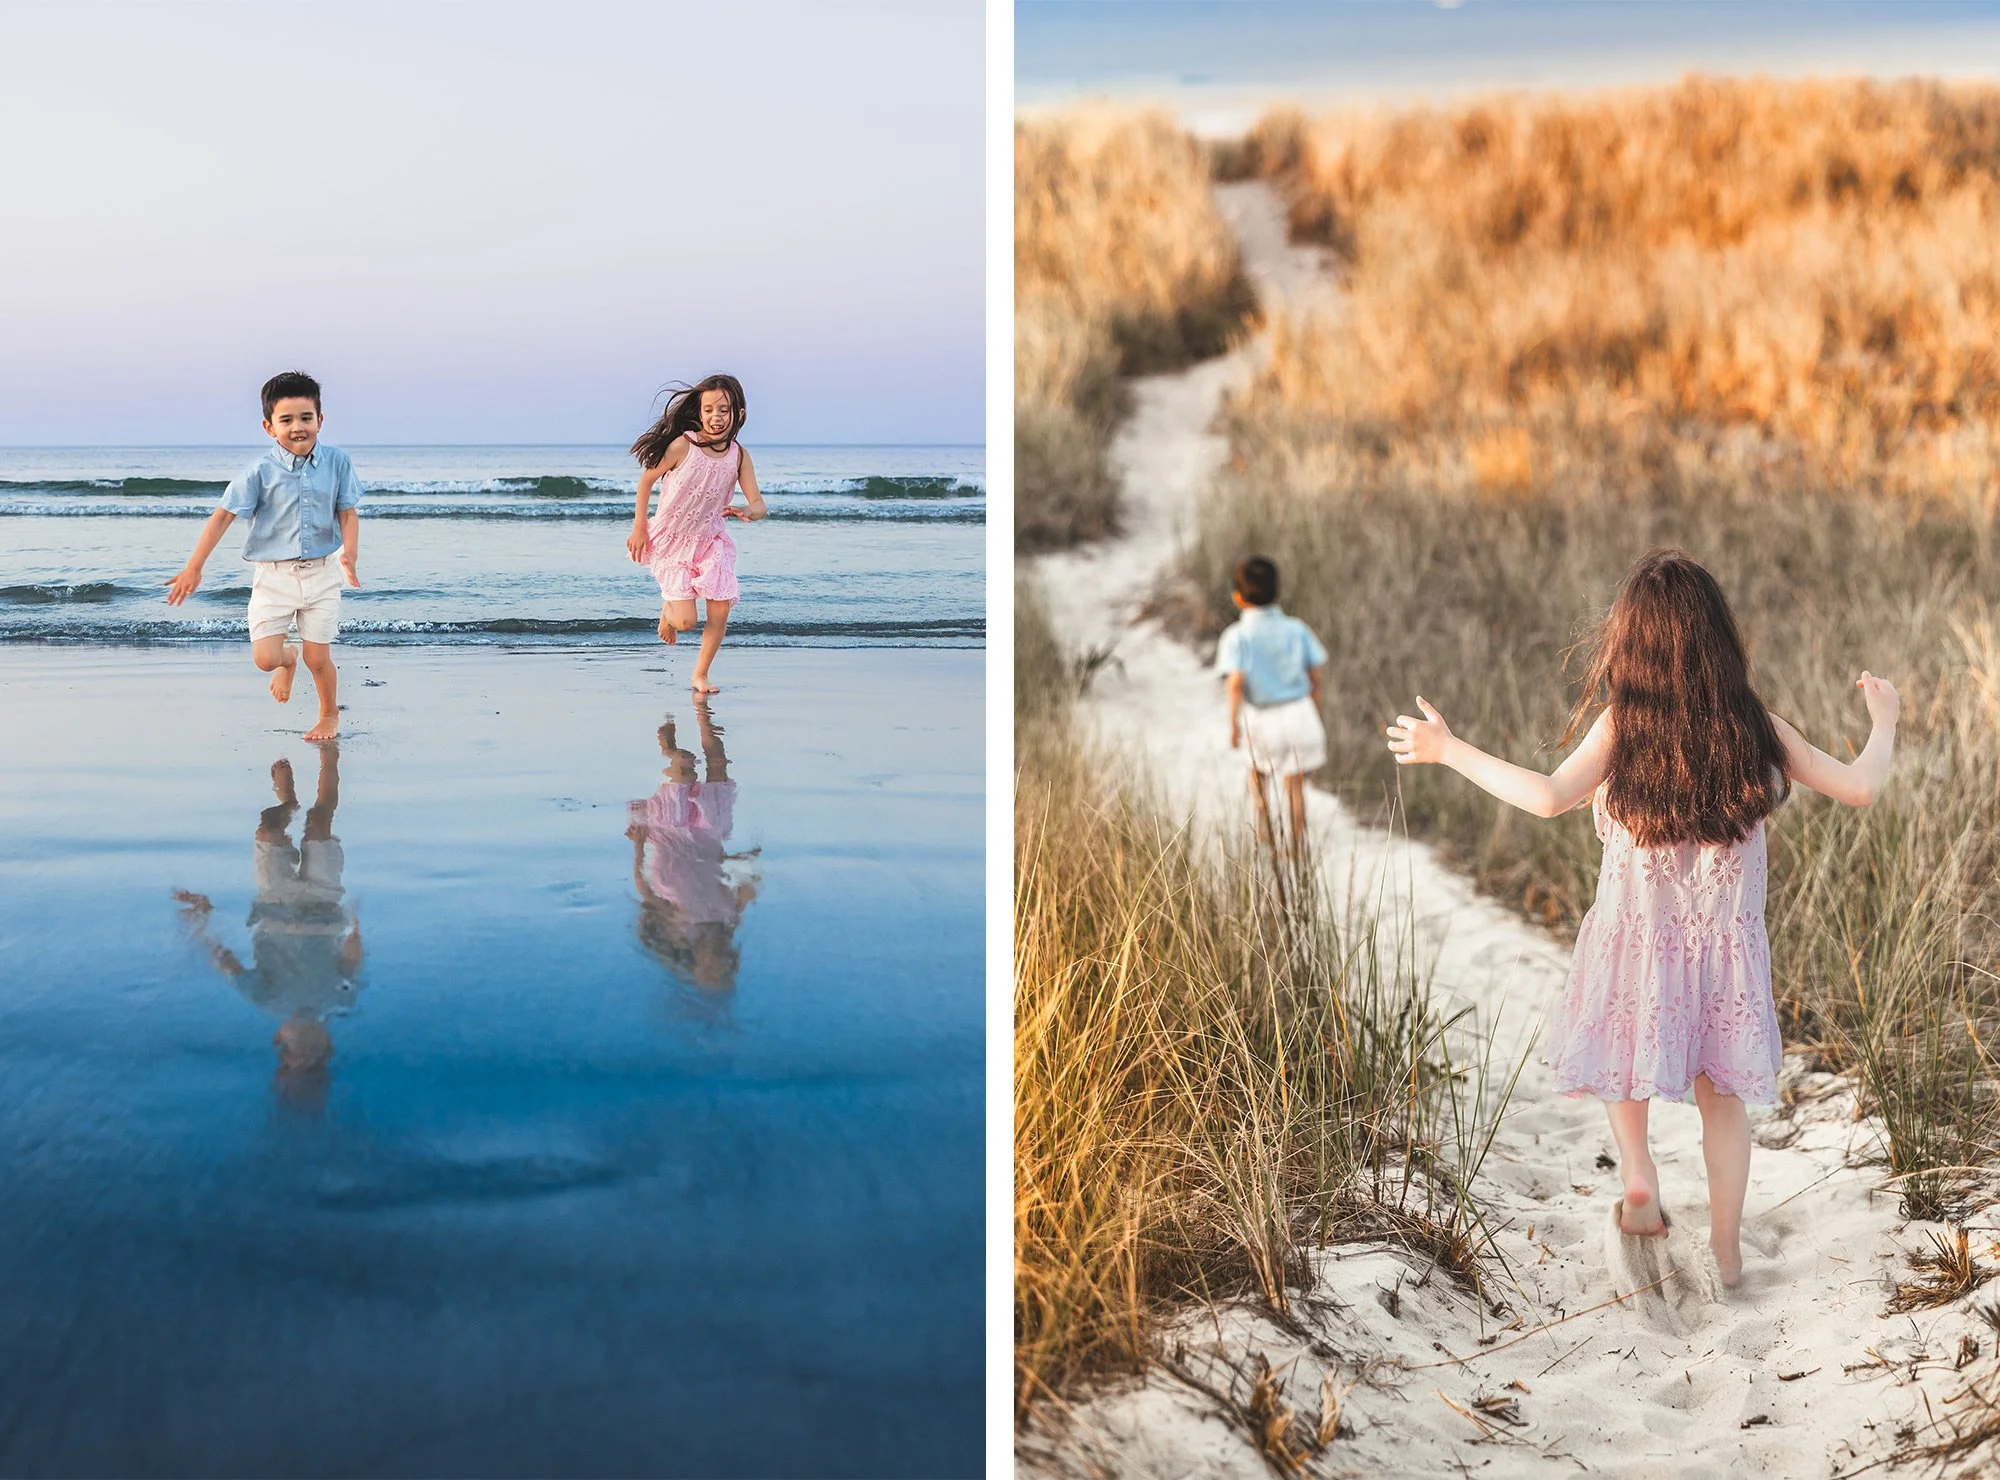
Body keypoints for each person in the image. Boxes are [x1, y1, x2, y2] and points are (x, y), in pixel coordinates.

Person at [1385, 548, 1899, 1287]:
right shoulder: (1755, 726)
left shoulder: (1623, 725)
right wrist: (1883, 721)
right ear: (1719, 638)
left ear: (1631, 643)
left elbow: (1546, 795)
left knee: (1622, 1056)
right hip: (1724, 959)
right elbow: (1858, 788)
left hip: (1637, 948)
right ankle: (1726, 1250)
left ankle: (1637, 1176)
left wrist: (1449, 749)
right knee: (1721, 1104)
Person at [165, 371, 362, 742]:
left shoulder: (338, 462)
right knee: (265, 659)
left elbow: (347, 512)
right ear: (269, 427)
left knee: (318, 659)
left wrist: (349, 553)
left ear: (320, 420)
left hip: (322, 573)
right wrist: (194, 567)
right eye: (286, 420)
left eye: (306, 418)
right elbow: (223, 515)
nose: (298, 427)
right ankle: (286, 661)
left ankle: (328, 715)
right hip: (273, 578)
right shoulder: (258, 472)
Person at [175, 746, 362, 1110]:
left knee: (268, 827)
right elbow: (352, 961)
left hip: (274, 901)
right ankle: (330, 756)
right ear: (327, 1042)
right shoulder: (340, 999)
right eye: (314, 1050)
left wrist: (199, 925)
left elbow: (226, 962)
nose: (304, 1043)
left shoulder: (265, 999)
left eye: (292, 1048)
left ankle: (286, 801)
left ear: (279, 1037)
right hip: (323, 902)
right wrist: (357, 921)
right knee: (320, 821)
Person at [624, 375, 767, 693]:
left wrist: (748, 511)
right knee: (686, 621)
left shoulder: (739, 456)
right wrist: (639, 528)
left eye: (724, 410)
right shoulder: (682, 445)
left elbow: (759, 504)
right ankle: (668, 612)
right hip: (673, 541)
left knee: (720, 607)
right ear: (699, 413)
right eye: (709, 410)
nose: (716, 417)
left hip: (711, 542)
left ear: (738, 414)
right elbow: (646, 481)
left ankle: (700, 675)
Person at [626, 700, 761, 997]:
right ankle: (704, 714)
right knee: (717, 764)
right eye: (726, 967)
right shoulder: (729, 920)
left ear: (697, 965)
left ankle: (668, 749)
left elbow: (645, 892)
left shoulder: (678, 931)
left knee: (684, 765)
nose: (719, 962)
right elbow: (722, 875)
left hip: (671, 841)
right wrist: (748, 868)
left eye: (712, 969)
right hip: (709, 836)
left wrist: (638, 845)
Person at [1216, 555, 1329, 858]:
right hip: (1299, 712)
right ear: (1278, 590)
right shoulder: (1297, 629)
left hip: (1263, 718)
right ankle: (1296, 844)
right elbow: (1315, 676)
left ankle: (1266, 834)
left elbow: (1236, 682)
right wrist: (1315, 712)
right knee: (1295, 786)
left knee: (1258, 775)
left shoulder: (1237, 636)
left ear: (1237, 597)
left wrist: (1233, 723)